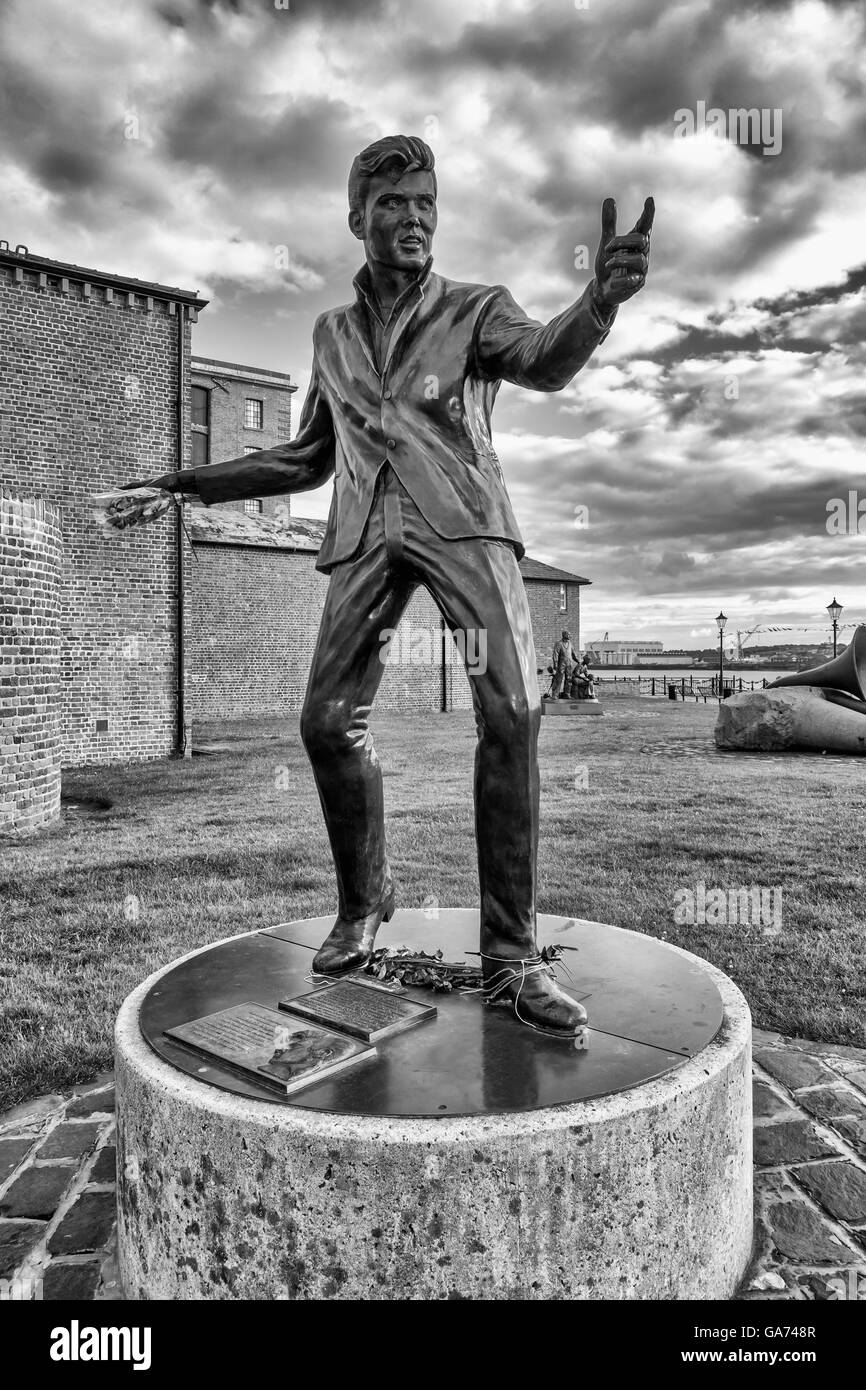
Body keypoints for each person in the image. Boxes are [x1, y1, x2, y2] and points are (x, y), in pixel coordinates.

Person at [119, 135, 653, 1037]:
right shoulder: (330, 333)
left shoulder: (476, 308)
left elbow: (542, 360)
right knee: (326, 723)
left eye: (426, 205)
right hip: (365, 532)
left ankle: (513, 953)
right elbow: (304, 458)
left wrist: (597, 302)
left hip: (465, 523)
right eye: (396, 204)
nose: (414, 219)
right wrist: (182, 484)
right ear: (358, 216)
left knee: (515, 713)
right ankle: (365, 903)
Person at [552, 629, 579, 698]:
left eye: (570, 634)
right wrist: (555, 663)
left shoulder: (570, 644)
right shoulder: (559, 643)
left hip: (569, 664)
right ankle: (555, 694)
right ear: (564, 635)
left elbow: (573, 654)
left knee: (569, 679)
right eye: (568, 634)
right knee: (559, 679)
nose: (570, 636)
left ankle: (567, 694)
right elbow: (555, 654)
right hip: (561, 664)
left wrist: (578, 660)